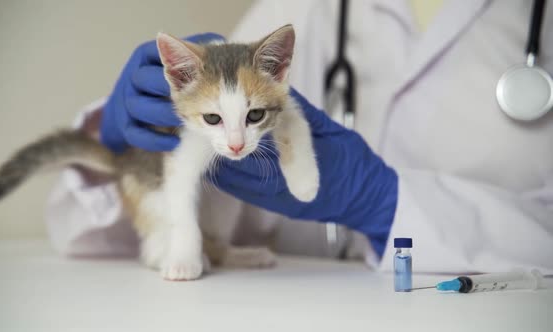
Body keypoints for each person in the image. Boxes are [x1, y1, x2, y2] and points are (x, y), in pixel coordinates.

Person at [47, 0, 553, 273]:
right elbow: (91, 235)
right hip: (282, 301)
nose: (239, 137)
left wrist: (383, 200)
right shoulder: (306, 7)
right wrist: (115, 139)